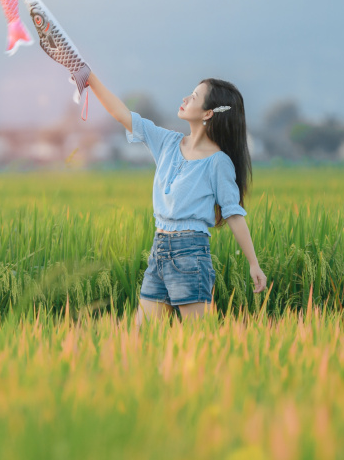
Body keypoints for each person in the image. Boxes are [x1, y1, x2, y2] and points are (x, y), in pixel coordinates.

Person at [88, 73, 268, 325]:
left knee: (198, 337)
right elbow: (122, 114)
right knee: (140, 336)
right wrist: (89, 78)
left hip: (190, 253)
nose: (185, 99)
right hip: (159, 250)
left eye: (194, 96)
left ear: (208, 113)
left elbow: (233, 214)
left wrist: (253, 264)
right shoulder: (167, 142)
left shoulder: (218, 162)